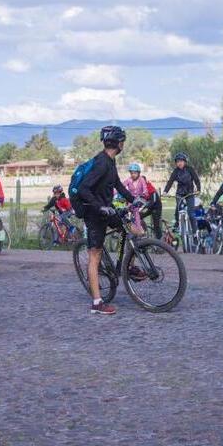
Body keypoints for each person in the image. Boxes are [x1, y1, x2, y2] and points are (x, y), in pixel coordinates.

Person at [77, 126, 142, 316]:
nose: (123, 144)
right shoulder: (101, 163)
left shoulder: (110, 161)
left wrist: (133, 200)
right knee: (95, 255)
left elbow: (118, 185)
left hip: (107, 209)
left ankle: (128, 266)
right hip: (94, 213)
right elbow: (83, 189)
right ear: (117, 143)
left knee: (131, 230)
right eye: (122, 141)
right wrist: (99, 207)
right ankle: (97, 303)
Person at [163, 153, 201, 234]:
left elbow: (196, 180)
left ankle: (195, 232)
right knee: (178, 210)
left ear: (185, 161)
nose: (179, 163)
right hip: (179, 193)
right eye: (177, 161)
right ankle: (177, 224)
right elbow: (170, 182)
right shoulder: (175, 171)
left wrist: (198, 189)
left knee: (191, 214)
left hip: (189, 193)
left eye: (181, 161)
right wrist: (165, 191)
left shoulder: (190, 169)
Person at [123, 163, 162, 238]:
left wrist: (144, 207)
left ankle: (159, 240)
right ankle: (143, 233)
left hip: (156, 206)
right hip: (148, 206)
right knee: (138, 217)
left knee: (156, 225)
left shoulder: (149, 187)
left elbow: (153, 201)